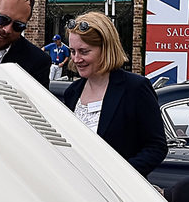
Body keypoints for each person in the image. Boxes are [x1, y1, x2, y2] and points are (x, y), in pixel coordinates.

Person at [57, 11, 167, 176]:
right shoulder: (72, 92)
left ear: (106, 49)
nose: (76, 59)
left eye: (84, 52)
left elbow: (156, 147)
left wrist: (119, 176)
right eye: (72, 51)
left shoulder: (135, 88)